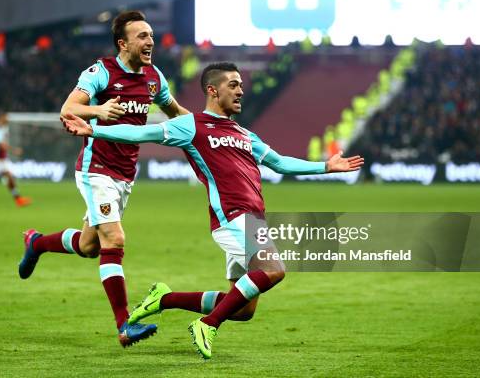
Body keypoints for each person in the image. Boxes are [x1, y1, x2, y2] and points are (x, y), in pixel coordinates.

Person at [60, 62, 364, 359]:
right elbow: (142, 134)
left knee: (243, 310)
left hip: (254, 219)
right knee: (273, 270)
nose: (240, 91)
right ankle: (207, 325)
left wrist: (326, 166)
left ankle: (163, 299)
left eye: (241, 85)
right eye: (233, 85)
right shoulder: (191, 125)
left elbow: (281, 162)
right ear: (212, 91)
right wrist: (95, 131)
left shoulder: (245, 134)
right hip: (231, 216)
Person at [18, 10, 189, 347]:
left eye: (151, 35)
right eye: (142, 36)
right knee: (115, 240)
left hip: (126, 175)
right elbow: (69, 108)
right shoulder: (101, 72)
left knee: (89, 245)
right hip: (96, 169)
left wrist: (208, 126)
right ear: (122, 43)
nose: (150, 41)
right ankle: (125, 325)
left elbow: (176, 113)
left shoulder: (154, 78)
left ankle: (36, 242)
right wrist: (99, 110)